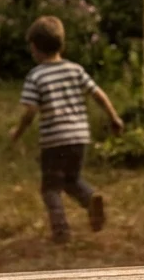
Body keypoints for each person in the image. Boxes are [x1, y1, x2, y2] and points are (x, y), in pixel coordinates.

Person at [9, 15, 125, 244]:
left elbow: (30, 111)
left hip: (54, 141)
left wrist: (17, 131)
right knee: (72, 180)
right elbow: (98, 94)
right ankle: (91, 199)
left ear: (34, 47)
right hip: (80, 137)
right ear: (62, 44)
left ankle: (61, 230)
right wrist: (114, 117)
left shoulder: (36, 76)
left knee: (50, 188)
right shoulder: (76, 70)